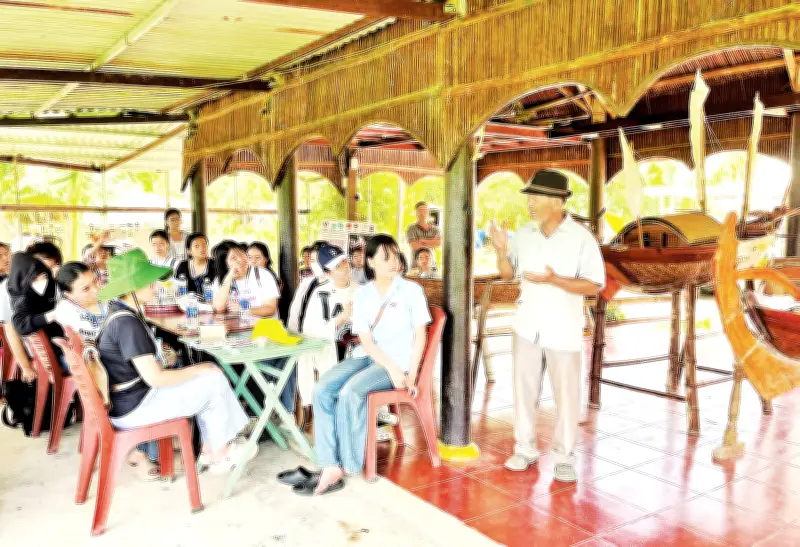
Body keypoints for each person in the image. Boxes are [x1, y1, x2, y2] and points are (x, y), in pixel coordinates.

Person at [94, 248, 253, 474]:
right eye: (149, 283)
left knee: (210, 378)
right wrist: (198, 368)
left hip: (129, 400)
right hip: (137, 407)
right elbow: (156, 378)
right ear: (132, 289)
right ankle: (219, 452)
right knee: (213, 378)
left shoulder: (119, 313)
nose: (155, 286)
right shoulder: (127, 323)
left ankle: (213, 448)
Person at [490, 169, 604, 483]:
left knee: (566, 397)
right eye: (529, 197)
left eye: (536, 197)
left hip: (563, 328)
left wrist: (555, 280)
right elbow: (507, 275)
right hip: (527, 325)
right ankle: (524, 449)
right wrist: (500, 250)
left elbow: (594, 285)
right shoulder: (523, 234)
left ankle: (564, 458)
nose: (530, 203)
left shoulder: (581, 238)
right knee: (524, 392)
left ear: (557, 201)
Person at [309, 234, 431, 496]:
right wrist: (390, 368)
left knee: (350, 392)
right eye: (385, 257)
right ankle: (329, 463)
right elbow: (365, 339)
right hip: (369, 356)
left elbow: (421, 335)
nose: (393, 262)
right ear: (371, 262)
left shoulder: (411, 291)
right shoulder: (363, 294)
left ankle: (350, 464)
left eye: (395, 255)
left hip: (398, 361)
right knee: (322, 389)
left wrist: (409, 373)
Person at [288, 243, 357, 406]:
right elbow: (311, 330)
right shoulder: (319, 293)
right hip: (329, 350)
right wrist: (341, 318)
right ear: (328, 272)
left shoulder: (361, 290)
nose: (344, 268)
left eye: (344, 262)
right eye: (337, 266)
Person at [7, 241, 67, 372]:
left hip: (60, 346)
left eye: (45, 274)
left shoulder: (49, 287)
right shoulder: (21, 295)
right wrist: (26, 367)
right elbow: (16, 326)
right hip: (53, 354)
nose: (42, 280)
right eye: (35, 277)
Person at [212, 241, 280, 319]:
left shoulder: (263, 274)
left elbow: (270, 309)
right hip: (234, 326)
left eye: (241, 254)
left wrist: (244, 310)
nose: (240, 259)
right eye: (234, 258)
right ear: (225, 264)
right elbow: (219, 308)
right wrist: (229, 277)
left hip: (262, 325)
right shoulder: (220, 280)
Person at [406, 201, 441, 267]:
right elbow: (414, 245)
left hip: (432, 266)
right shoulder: (411, 228)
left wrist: (422, 241)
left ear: (428, 212)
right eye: (420, 210)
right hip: (415, 266)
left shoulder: (435, 229)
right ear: (416, 213)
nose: (423, 213)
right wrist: (431, 243)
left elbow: (438, 243)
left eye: (425, 210)